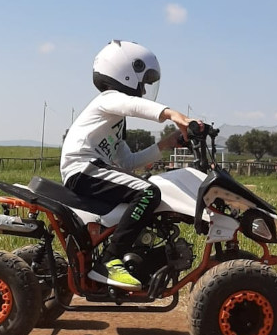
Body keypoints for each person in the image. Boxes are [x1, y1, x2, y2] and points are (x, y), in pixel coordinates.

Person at [60, 40, 203, 291]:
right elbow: (135, 105)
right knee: (149, 192)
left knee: (149, 188)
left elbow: (127, 162)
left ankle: (133, 255)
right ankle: (109, 262)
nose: (145, 92)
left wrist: (165, 144)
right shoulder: (108, 100)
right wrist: (173, 115)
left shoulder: (115, 122)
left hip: (91, 170)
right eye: (143, 83)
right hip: (82, 169)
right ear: (126, 72)